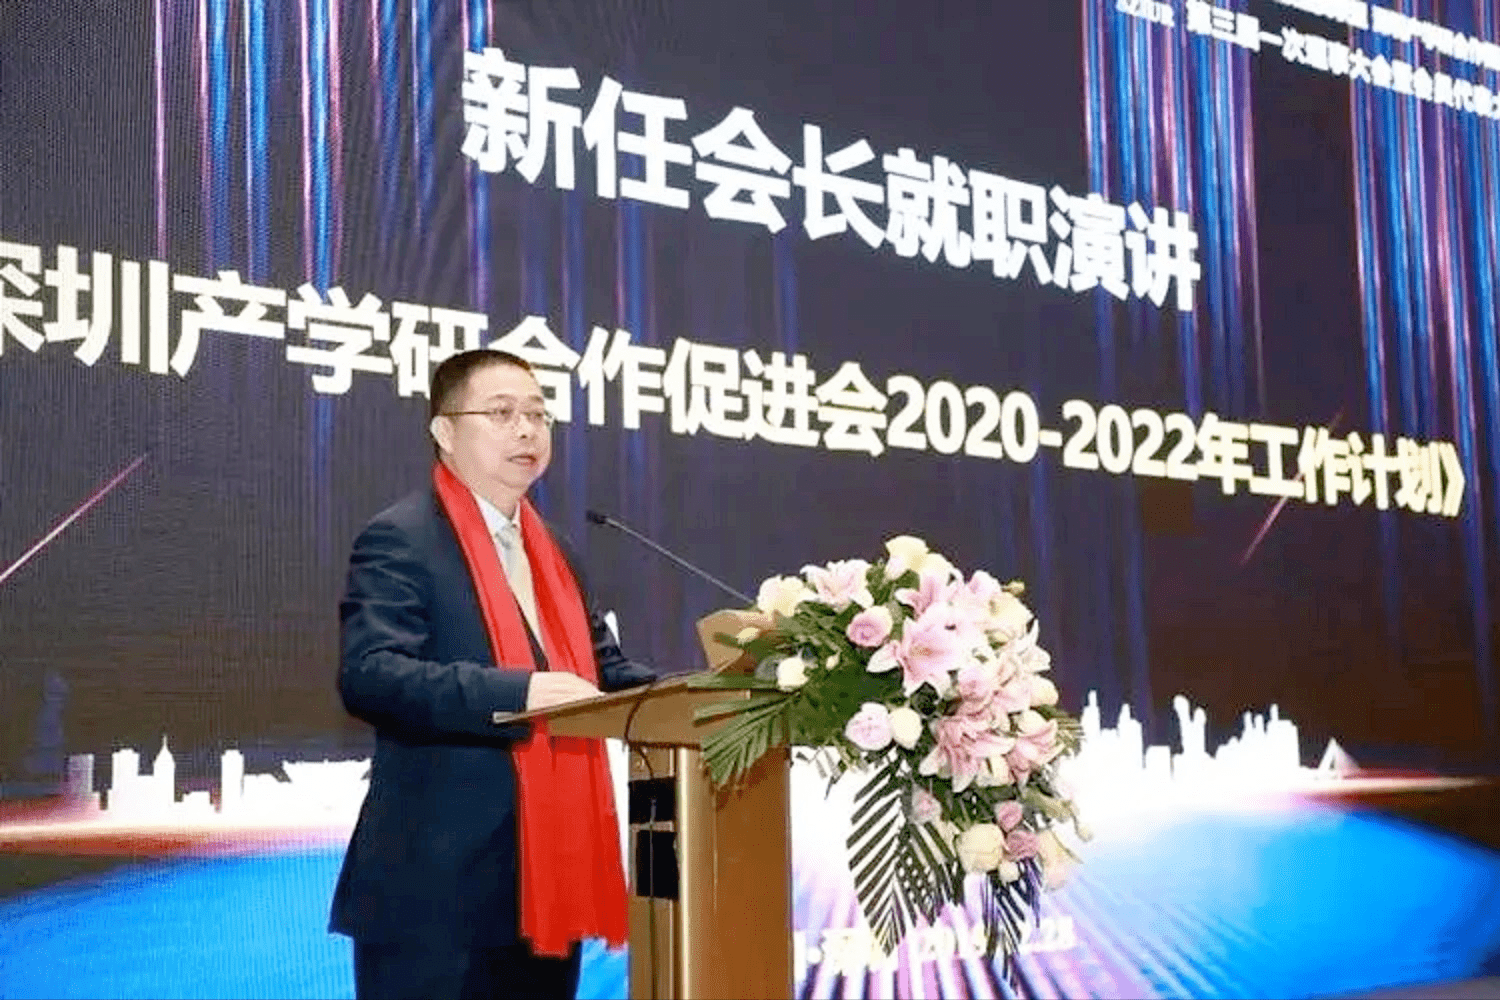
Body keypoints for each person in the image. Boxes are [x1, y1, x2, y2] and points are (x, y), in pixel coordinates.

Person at [330, 348, 655, 1000]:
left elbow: (603, 672)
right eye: (502, 414)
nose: (527, 430)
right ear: (445, 432)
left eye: (538, 415)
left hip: (543, 886)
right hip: (435, 892)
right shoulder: (402, 537)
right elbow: (372, 674)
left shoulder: (555, 550)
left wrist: (709, 689)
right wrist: (520, 693)